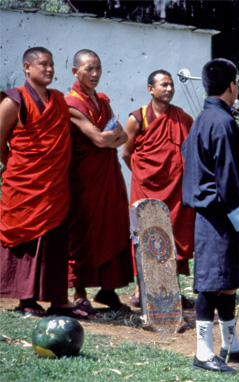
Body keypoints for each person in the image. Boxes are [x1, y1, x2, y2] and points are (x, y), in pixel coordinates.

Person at [182, 58, 239, 373]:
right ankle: (203, 353)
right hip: (217, 215)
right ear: (231, 85)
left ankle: (231, 344)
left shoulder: (205, 118)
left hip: (215, 213)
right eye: (238, 83)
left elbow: (209, 161)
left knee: (227, 280)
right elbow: (226, 177)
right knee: (210, 283)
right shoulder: (222, 121)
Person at [0, 47, 87, 319]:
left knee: (55, 242)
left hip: (54, 185)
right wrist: (17, 165)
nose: (49, 69)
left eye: (51, 65)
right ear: (27, 67)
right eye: (42, 64)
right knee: (27, 238)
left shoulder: (59, 100)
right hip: (24, 183)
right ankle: (26, 300)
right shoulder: (14, 100)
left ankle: (58, 300)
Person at [65, 49, 133, 314]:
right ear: (75, 72)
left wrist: (110, 137)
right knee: (84, 230)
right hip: (83, 177)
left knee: (114, 225)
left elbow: (122, 136)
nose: (94, 74)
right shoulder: (70, 103)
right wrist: (109, 138)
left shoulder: (102, 100)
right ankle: (79, 291)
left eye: (98, 68)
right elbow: (102, 139)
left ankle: (108, 289)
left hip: (107, 173)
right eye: (88, 69)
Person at [121, 70, 195, 307]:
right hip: (145, 186)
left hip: (174, 189)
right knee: (145, 233)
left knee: (172, 232)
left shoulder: (182, 118)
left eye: (171, 85)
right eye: (164, 85)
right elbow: (126, 153)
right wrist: (142, 175)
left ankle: (171, 288)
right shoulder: (137, 118)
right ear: (150, 89)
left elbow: (192, 149)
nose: (169, 89)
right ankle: (141, 288)